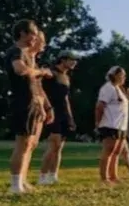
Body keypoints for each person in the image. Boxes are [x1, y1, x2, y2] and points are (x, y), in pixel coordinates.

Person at [4, 19, 52, 195]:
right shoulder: (16, 51)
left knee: (28, 144)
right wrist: (41, 72)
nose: (35, 38)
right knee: (22, 144)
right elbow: (20, 70)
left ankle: (21, 182)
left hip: (31, 102)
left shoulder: (24, 53)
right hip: (22, 102)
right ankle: (15, 185)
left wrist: (43, 105)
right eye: (33, 34)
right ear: (23, 33)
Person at [38, 50, 78, 185]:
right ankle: (42, 176)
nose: (74, 62)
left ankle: (53, 175)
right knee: (53, 144)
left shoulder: (66, 77)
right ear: (63, 59)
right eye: (72, 59)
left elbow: (65, 98)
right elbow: (39, 88)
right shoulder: (51, 73)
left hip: (63, 114)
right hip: (52, 112)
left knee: (59, 147)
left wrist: (70, 117)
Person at [95, 66, 129, 186]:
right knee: (108, 151)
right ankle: (105, 178)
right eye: (122, 75)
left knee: (116, 152)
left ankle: (114, 176)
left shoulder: (118, 88)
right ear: (115, 75)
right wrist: (98, 122)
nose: (124, 77)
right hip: (110, 124)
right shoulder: (108, 88)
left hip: (121, 125)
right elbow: (100, 106)